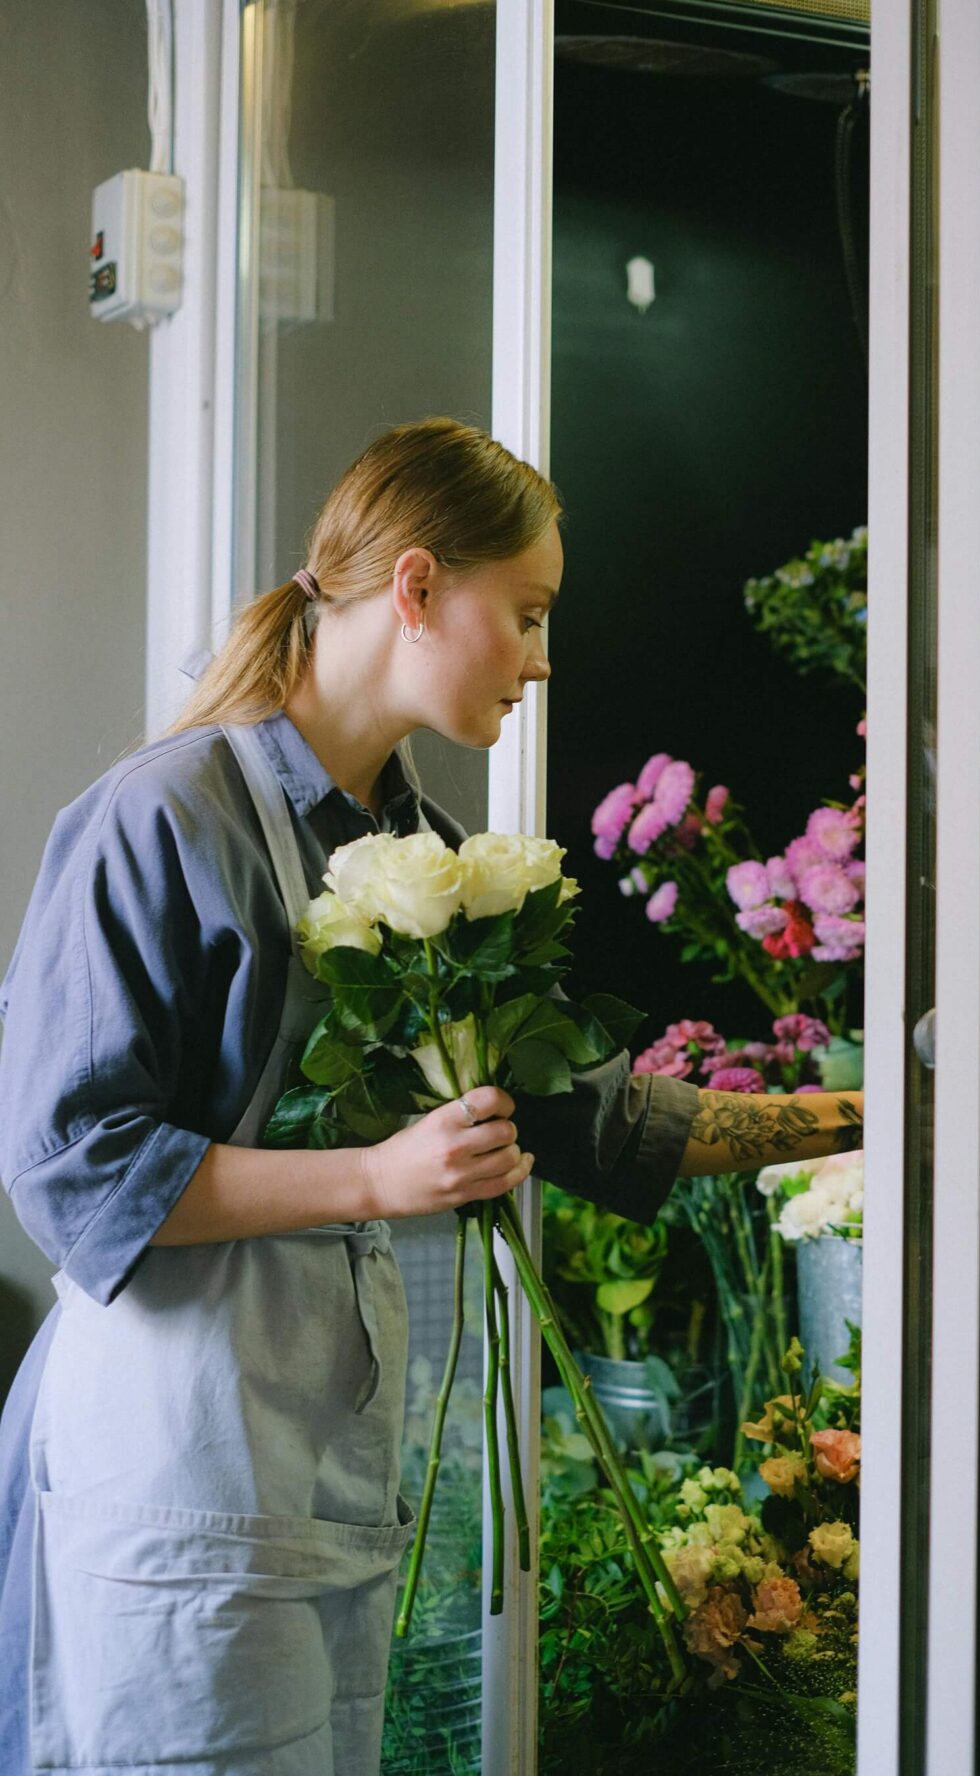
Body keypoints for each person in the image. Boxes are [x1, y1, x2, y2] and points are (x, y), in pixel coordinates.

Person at [0, 417, 863, 1773]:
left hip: (327, 1487)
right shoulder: (162, 819)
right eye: (522, 614)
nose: (541, 658)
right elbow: (72, 1170)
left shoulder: (434, 859)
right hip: (174, 1475)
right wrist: (376, 1177)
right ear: (414, 586)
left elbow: (600, 1123)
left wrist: (871, 1122)